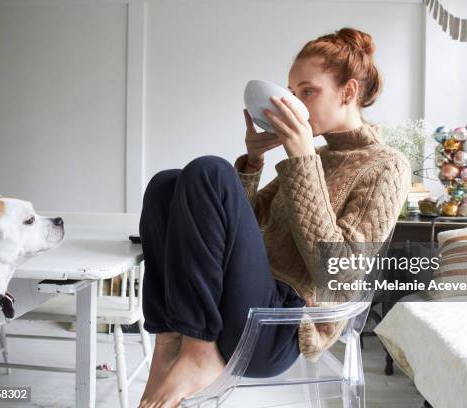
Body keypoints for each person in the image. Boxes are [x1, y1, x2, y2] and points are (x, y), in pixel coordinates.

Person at [138, 27, 411, 408]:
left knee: (210, 170)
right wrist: (252, 164)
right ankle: (171, 341)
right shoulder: (312, 157)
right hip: (240, 301)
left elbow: (341, 273)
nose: (294, 104)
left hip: (278, 325)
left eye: (307, 92)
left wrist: (301, 158)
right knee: (167, 184)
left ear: (348, 92)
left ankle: (199, 352)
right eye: (292, 93)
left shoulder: (387, 166)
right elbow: (236, 226)